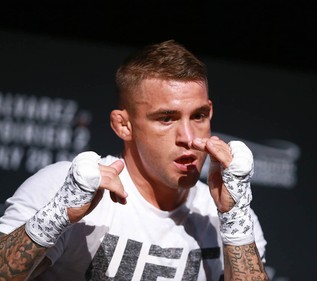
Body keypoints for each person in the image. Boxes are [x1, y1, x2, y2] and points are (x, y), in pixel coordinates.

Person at [0, 40, 268, 281]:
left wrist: (235, 218)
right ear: (123, 125)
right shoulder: (64, 187)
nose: (188, 137)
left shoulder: (229, 214)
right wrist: (55, 216)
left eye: (198, 116)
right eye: (166, 118)